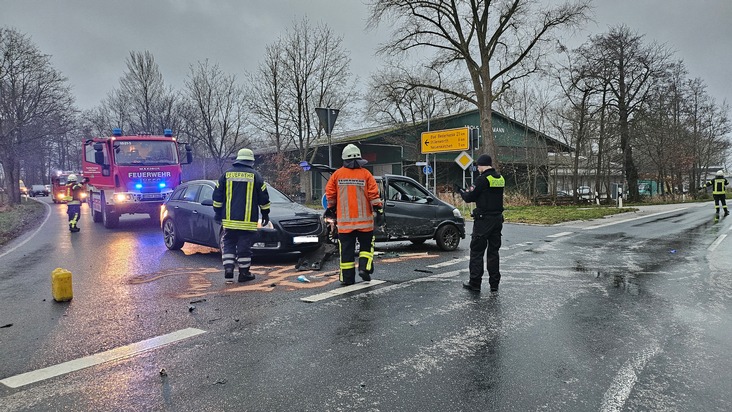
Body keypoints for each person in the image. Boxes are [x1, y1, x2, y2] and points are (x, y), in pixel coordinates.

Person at [325, 144, 383, 286]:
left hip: (345, 224)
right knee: (366, 248)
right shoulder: (366, 174)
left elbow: (330, 195)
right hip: (365, 223)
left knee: (346, 252)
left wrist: (331, 209)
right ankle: (364, 268)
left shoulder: (337, 175)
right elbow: (374, 195)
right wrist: (378, 209)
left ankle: (347, 278)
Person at [212, 148, 270, 283]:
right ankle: (244, 273)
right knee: (244, 246)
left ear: (238, 160)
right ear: (251, 162)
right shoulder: (256, 175)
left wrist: (217, 213)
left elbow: (217, 196)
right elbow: (264, 197)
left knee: (228, 243)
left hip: (229, 220)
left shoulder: (226, 175)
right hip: (248, 220)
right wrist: (265, 213)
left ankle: (228, 269)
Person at [457, 154, 505, 293]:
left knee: (477, 252)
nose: (477, 168)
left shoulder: (482, 179)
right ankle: (494, 284)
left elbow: (469, 197)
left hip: (483, 221)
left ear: (482, 165)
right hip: (497, 220)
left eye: (478, 165)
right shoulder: (499, 178)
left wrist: (461, 191)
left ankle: (475, 283)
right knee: (493, 253)